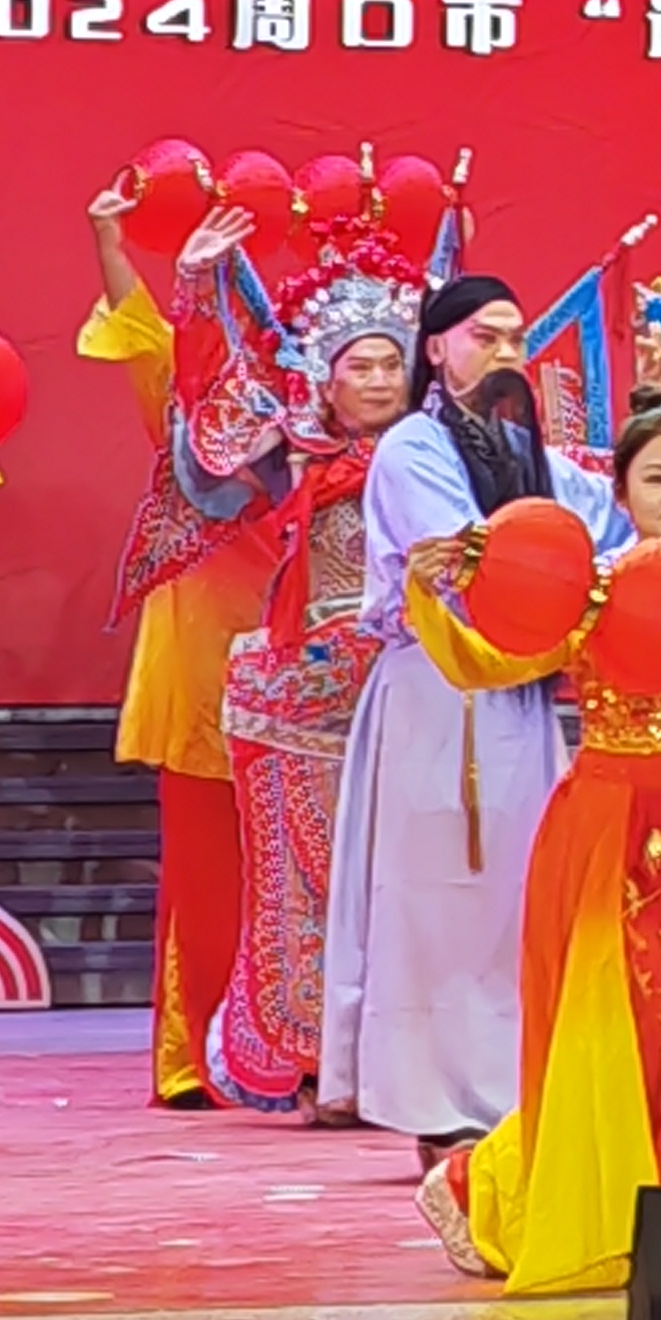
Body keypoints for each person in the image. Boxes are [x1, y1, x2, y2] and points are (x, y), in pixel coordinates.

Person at [420, 404, 661, 1294]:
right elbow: (485, 665)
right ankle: (492, 1189)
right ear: (621, 495)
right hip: (612, 840)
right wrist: (433, 597)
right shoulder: (591, 597)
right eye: (657, 478)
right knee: (614, 1033)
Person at [334, 275, 629, 1150]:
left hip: (522, 696)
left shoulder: (532, 457)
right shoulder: (412, 448)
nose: (505, 354)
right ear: (437, 349)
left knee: (517, 891)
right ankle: (437, 1103)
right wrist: (564, 579)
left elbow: (611, 534)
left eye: (514, 339)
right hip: (441, 687)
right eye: (484, 337)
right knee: (436, 896)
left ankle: (512, 1094)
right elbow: (477, 563)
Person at [163, 199, 436, 1119]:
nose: (377, 379)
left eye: (391, 362)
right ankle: (322, 1063)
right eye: (359, 364)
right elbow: (207, 441)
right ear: (326, 373)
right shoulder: (295, 449)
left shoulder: (438, 455)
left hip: (414, 683)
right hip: (311, 694)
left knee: (411, 880)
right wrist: (197, 291)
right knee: (309, 880)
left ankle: (408, 1065)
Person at [76, 181, 271, 1107]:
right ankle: (195, 1055)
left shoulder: (324, 427)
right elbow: (146, 339)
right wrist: (114, 247)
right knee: (207, 874)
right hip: (202, 671)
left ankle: (286, 1048)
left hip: (309, 673)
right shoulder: (189, 417)